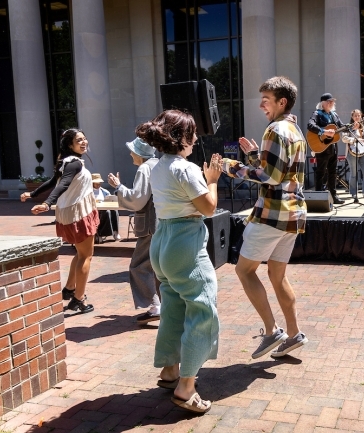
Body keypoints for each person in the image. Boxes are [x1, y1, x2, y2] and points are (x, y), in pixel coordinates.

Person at [136, 110, 222, 414]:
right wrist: (212, 180)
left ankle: (170, 371)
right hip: (185, 242)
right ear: (180, 137)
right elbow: (209, 208)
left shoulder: (157, 166)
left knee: (173, 307)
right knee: (203, 310)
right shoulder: (185, 169)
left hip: (162, 242)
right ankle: (186, 388)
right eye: (193, 132)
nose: (196, 137)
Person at [223, 76, 309, 359]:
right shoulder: (295, 129)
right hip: (293, 214)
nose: (261, 105)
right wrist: (253, 156)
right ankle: (294, 333)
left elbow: (270, 177)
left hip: (272, 214)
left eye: (266, 99)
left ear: (281, 102)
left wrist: (233, 168)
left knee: (244, 270)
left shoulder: (274, 129)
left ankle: (273, 332)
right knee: (276, 274)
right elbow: (278, 171)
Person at [20, 129, 98, 314]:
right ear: (70, 145)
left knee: (80, 254)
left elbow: (53, 181)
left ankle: (70, 288)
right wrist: (46, 203)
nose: (84, 142)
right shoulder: (75, 163)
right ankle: (78, 300)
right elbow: (61, 184)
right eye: (79, 140)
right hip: (79, 212)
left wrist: (33, 194)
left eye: (84, 138)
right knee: (86, 256)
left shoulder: (67, 162)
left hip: (69, 213)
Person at [107, 138, 161, 325]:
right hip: (163, 223)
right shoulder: (160, 164)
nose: (130, 154)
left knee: (139, 266)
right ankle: (166, 306)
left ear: (139, 153)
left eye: (132, 151)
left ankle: (156, 307)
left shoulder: (145, 168)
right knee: (159, 268)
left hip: (149, 225)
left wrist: (118, 187)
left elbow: (138, 199)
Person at [307, 93, 345, 204]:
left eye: (332, 101)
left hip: (333, 147)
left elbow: (342, 126)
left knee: (333, 172)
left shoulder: (334, 115)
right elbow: (310, 125)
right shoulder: (317, 113)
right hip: (322, 147)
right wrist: (324, 131)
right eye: (329, 101)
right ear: (323, 103)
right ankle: (318, 197)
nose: (331, 103)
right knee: (321, 172)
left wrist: (352, 126)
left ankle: (333, 196)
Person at [91, 173, 121, 242]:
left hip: (104, 207)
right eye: (96, 183)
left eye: (99, 183)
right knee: (106, 212)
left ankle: (115, 231)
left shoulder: (104, 191)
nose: (98, 185)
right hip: (94, 210)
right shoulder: (89, 192)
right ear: (92, 183)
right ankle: (101, 234)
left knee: (114, 211)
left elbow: (110, 198)